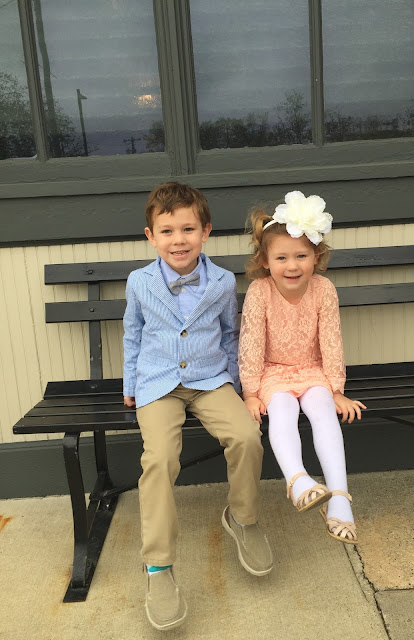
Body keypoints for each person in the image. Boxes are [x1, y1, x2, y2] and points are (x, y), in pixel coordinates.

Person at [123, 182, 272, 631]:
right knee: (160, 459)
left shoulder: (223, 281)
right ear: (151, 236)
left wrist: (240, 387)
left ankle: (243, 518)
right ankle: (158, 565)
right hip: (158, 384)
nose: (178, 240)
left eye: (188, 229)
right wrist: (131, 384)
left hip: (210, 380)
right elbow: (133, 334)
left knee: (246, 436)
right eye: (167, 231)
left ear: (205, 231)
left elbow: (230, 335)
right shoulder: (140, 282)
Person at [239, 190, 366, 545]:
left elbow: (331, 341)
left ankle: (339, 498)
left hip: (312, 370)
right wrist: (250, 393)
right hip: (273, 373)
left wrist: (336, 389)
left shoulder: (324, 290)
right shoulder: (260, 292)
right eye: (281, 257)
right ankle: (298, 481)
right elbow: (251, 344)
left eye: (301, 256)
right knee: (282, 410)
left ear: (316, 257)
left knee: (323, 411)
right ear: (265, 261)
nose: (292, 266)